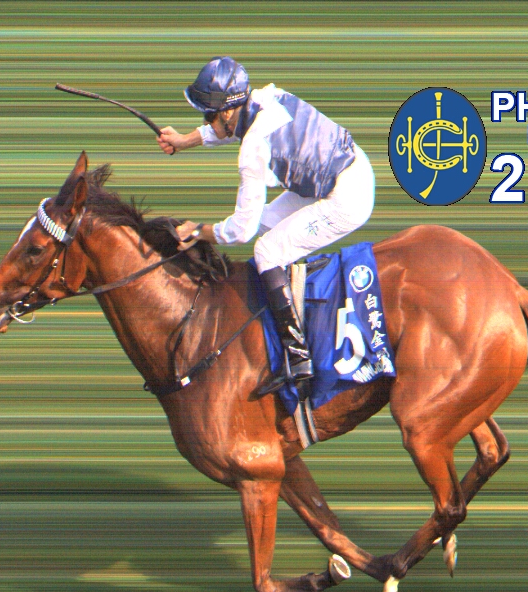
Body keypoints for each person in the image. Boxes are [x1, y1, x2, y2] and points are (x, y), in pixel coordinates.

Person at [156, 56, 375, 398]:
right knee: (268, 223)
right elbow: (230, 130)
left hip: (348, 197)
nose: (206, 121)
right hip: (348, 168)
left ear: (228, 111)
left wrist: (199, 231)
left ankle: (298, 355)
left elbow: (240, 231)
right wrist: (185, 140)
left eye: (208, 115)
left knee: (266, 250)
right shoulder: (263, 98)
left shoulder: (253, 149)